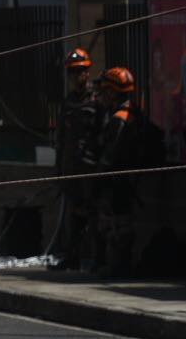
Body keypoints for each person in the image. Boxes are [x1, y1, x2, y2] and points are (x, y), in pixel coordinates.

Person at [92, 66, 143, 276]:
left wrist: (99, 177)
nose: (102, 95)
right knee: (119, 222)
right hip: (126, 179)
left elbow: (110, 154)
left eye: (105, 90)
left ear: (113, 92)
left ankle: (117, 265)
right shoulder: (132, 112)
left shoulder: (119, 119)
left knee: (116, 224)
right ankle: (117, 263)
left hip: (117, 180)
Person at [56, 47, 100, 270]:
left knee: (93, 214)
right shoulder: (68, 102)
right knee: (73, 214)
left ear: (88, 72)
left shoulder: (96, 101)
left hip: (90, 169)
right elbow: (61, 138)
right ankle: (71, 256)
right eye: (72, 72)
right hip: (71, 167)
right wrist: (58, 169)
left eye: (80, 71)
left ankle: (96, 258)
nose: (76, 76)